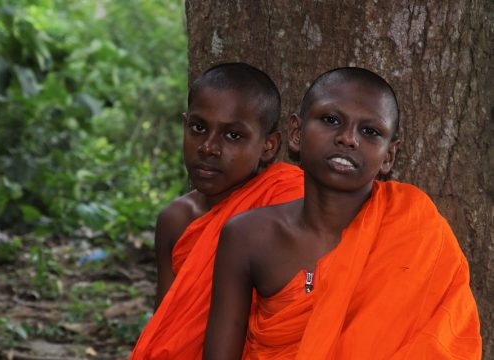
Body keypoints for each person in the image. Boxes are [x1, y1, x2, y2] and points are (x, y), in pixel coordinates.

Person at [204, 67, 482, 359]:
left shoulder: (417, 228)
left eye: (370, 131)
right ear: (297, 133)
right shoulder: (248, 236)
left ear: (388, 156)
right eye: (331, 120)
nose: (348, 139)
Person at [129, 62, 304, 359]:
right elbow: (168, 327)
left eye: (233, 135)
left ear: (268, 145)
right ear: (185, 125)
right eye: (198, 128)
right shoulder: (176, 220)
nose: (208, 147)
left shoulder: (287, 203)